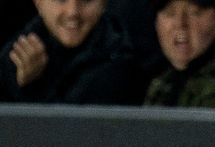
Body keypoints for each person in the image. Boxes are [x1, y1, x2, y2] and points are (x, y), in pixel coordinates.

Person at [0, 0, 143, 104]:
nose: (72, 12)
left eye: (87, 0)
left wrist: (34, 87)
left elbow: (70, 136)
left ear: (104, 4)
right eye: (61, 0)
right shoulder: (15, 51)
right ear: (38, 3)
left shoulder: (119, 64)